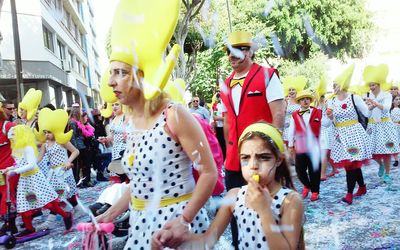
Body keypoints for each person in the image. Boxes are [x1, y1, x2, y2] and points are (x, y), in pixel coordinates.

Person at [95, 2, 217, 247]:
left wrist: (184, 220)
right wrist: (110, 214)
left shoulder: (174, 115)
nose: (110, 81)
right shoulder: (132, 122)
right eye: (111, 73)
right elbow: (141, 183)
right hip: (141, 226)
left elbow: (209, 173)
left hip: (174, 228)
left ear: (141, 76)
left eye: (120, 72)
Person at [153, 122, 304, 250]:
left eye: (263, 157)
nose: (253, 166)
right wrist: (175, 240)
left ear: (278, 160)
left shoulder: (290, 201)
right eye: (245, 158)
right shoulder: (235, 196)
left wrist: (264, 211)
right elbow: (207, 240)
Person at [220, 31, 285, 248]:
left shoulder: (267, 75)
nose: (232, 55)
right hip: (234, 160)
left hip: (262, 157)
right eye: (229, 51)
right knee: (237, 211)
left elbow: (278, 114)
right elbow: (227, 120)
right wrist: (229, 149)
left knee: (269, 208)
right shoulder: (225, 83)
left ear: (249, 51)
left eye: (238, 50)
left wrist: (274, 152)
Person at [4, 125, 73, 236]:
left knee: (48, 202)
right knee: (23, 204)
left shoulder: (28, 148)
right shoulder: (18, 149)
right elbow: (19, 163)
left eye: (13, 138)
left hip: (35, 179)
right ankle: (29, 228)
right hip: (25, 180)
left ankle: (66, 215)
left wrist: (15, 171)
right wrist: (10, 168)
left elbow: (31, 164)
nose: (12, 140)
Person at [327, 65, 371, 205]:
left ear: (343, 84)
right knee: (350, 164)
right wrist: (329, 116)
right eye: (333, 84)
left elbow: (366, 113)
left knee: (352, 163)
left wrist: (371, 106)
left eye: (336, 84)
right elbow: (327, 123)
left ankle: (349, 193)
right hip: (340, 136)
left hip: (354, 134)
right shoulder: (331, 101)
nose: (334, 86)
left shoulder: (354, 97)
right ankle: (362, 187)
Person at [35, 108, 80, 229]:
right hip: (53, 173)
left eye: (49, 132)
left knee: (65, 195)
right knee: (59, 196)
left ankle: (50, 222)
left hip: (64, 172)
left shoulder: (62, 141)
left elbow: (75, 151)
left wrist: (68, 161)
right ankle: (75, 211)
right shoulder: (45, 144)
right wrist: (33, 164)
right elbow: (40, 156)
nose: (46, 135)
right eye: (44, 132)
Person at [363, 64, 399, 183]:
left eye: (373, 85)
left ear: (378, 85)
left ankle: (387, 174)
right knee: (370, 150)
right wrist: (370, 108)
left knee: (387, 151)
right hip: (372, 126)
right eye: (370, 85)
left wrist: (375, 103)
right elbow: (367, 115)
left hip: (385, 125)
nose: (371, 87)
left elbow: (386, 108)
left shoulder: (387, 95)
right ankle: (381, 165)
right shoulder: (368, 96)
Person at [287, 89, 322, 201]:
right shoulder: (295, 114)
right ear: (299, 102)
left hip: (315, 146)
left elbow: (325, 127)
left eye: (307, 99)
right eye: (302, 99)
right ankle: (307, 186)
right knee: (299, 170)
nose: (305, 101)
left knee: (314, 170)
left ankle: (315, 192)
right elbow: (291, 130)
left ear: (310, 100)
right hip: (301, 145)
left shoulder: (318, 112)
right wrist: (290, 145)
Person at [0, 102, 18, 235]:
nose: (12, 110)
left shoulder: (8, 126)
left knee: (8, 197)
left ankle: (10, 225)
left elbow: (19, 146)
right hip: (0, 171)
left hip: (10, 168)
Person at [98, 102, 127, 183]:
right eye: (112, 105)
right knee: (117, 174)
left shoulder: (126, 116)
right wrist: (105, 139)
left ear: (122, 105)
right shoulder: (113, 119)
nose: (114, 107)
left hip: (124, 148)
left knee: (125, 175)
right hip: (115, 149)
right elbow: (111, 136)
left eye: (117, 104)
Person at [212, 93, 226, 159]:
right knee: (220, 145)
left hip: (226, 127)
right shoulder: (215, 105)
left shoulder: (226, 105)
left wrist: (221, 118)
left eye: (220, 97)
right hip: (218, 128)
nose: (219, 99)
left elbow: (229, 118)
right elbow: (214, 117)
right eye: (218, 97)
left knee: (225, 145)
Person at [390, 95, 400, 166]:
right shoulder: (390, 110)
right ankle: (396, 160)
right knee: (395, 144)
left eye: (399, 99)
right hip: (393, 128)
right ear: (393, 101)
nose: (398, 101)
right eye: (396, 99)